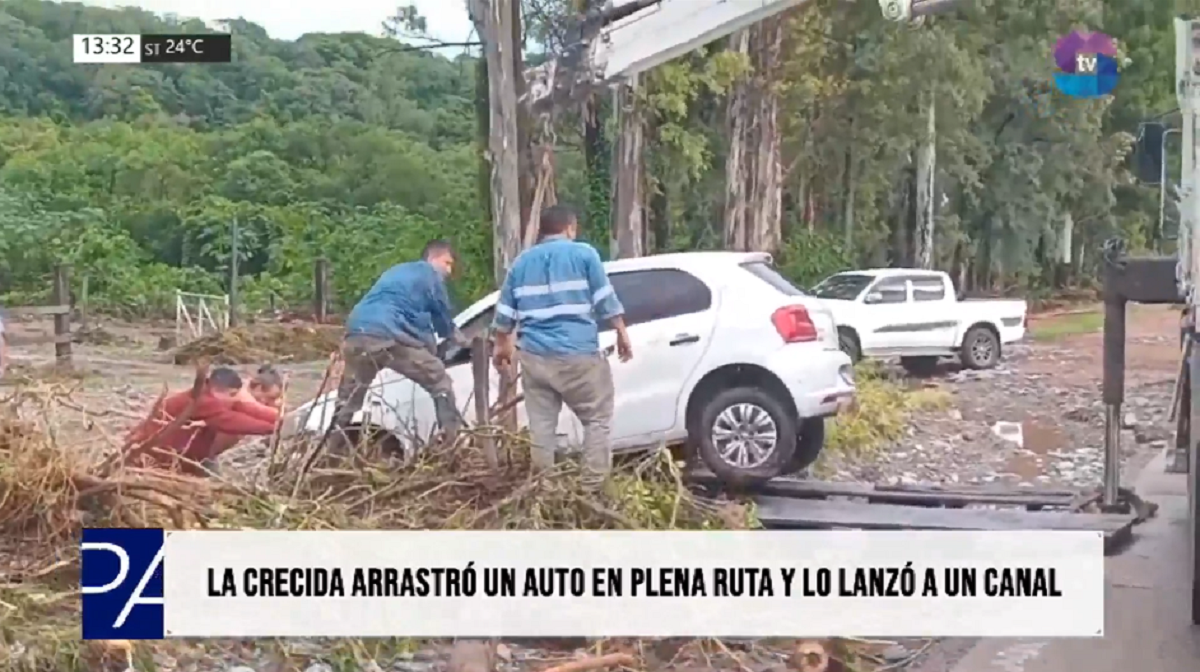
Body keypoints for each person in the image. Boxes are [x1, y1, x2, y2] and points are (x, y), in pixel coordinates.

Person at [492, 205, 632, 486]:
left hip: (534, 357)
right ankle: (592, 489)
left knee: (541, 428)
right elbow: (605, 298)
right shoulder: (584, 254)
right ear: (570, 227)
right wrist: (621, 331)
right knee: (596, 419)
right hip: (577, 355)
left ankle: (544, 491)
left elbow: (504, 315)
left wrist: (502, 348)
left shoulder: (520, 264)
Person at [330, 240, 467, 452]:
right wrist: (460, 340)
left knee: (348, 400)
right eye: (447, 263)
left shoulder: (398, 273)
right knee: (439, 379)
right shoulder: (429, 274)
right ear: (432, 258)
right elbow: (441, 318)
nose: (448, 271)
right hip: (385, 335)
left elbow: (415, 324)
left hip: (356, 332)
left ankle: (329, 450)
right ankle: (452, 444)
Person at [123, 367, 279, 475]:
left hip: (183, 457)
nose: (234, 399)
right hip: (154, 458)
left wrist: (280, 419)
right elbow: (230, 421)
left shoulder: (213, 397)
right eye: (232, 395)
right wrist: (274, 428)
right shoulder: (202, 401)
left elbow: (242, 408)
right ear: (217, 390)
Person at [204, 365, 287, 469]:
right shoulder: (238, 394)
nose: (270, 402)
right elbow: (259, 411)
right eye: (271, 398)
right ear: (258, 387)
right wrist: (285, 420)